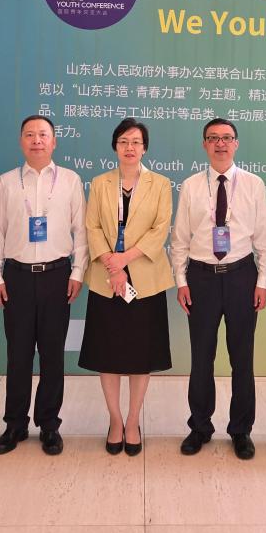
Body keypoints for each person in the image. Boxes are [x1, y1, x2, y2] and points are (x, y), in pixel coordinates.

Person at [170, 118, 266, 461]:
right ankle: (200, 426)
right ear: (204, 144)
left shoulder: (253, 184)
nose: (220, 143)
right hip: (201, 278)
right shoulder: (190, 185)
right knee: (201, 356)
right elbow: (179, 239)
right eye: (213, 138)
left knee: (242, 357)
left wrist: (262, 283)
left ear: (236, 144)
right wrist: (181, 281)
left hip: (241, 276)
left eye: (226, 138)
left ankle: (241, 430)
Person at [0, 115, 88, 456]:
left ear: (54, 141)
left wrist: (77, 272)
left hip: (57, 276)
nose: (37, 140)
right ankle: (14, 424)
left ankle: (49, 425)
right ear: (21, 141)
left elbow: (81, 231)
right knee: (18, 355)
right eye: (30, 134)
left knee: (53, 355)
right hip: (16, 277)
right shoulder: (7, 182)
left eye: (43, 135)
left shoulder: (70, 180)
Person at [79, 118, 173, 456]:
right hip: (107, 280)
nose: (129, 147)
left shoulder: (160, 184)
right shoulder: (100, 183)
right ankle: (115, 420)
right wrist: (112, 264)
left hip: (145, 280)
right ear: (115, 147)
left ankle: (133, 421)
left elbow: (160, 230)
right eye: (123, 142)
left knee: (140, 355)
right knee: (107, 353)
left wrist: (124, 260)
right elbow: (92, 227)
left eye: (135, 142)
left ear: (144, 148)